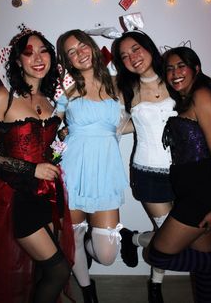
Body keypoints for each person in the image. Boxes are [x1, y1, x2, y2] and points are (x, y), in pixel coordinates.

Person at [0, 28, 74, 303]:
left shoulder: (50, 101)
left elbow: (48, 149)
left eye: (43, 51)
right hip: (15, 196)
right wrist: (31, 169)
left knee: (42, 270)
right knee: (58, 271)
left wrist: (62, 141)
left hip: (48, 192)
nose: (37, 58)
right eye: (28, 52)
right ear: (17, 61)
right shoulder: (3, 96)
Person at [145, 46, 211, 303]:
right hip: (190, 192)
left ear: (196, 69)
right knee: (204, 272)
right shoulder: (187, 99)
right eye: (169, 68)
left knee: (157, 255)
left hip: (201, 195)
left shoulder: (203, 96)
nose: (175, 73)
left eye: (181, 66)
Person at [56, 29, 128, 303]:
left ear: (93, 47)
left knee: (107, 254)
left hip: (106, 170)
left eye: (82, 46)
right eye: (71, 52)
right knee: (71, 240)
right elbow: (52, 128)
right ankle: (87, 289)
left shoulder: (116, 84)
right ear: (67, 61)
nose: (79, 53)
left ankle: (90, 246)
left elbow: (126, 124)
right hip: (72, 168)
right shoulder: (65, 90)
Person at [112, 30, 177, 303]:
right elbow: (119, 126)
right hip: (148, 173)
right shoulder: (126, 88)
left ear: (149, 47)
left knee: (180, 235)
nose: (132, 58)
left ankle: (135, 238)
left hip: (185, 172)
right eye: (124, 56)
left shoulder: (176, 78)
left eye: (136, 49)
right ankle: (155, 285)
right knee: (167, 237)